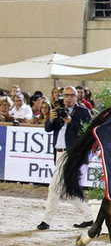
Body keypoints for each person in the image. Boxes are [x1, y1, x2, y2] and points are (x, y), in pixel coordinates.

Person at [37, 86, 93, 230]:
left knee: (54, 186)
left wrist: (71, 122)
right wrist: (50, 119)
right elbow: (48, 129)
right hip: (58, 152)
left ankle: (46, 220)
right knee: (68, 189)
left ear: (76, 97)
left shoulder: (82, 112)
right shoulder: (57, 111)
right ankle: (89, 216)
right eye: (66, 95)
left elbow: (88, 131)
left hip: (72, 153)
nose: (69, 98)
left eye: (71, 95)